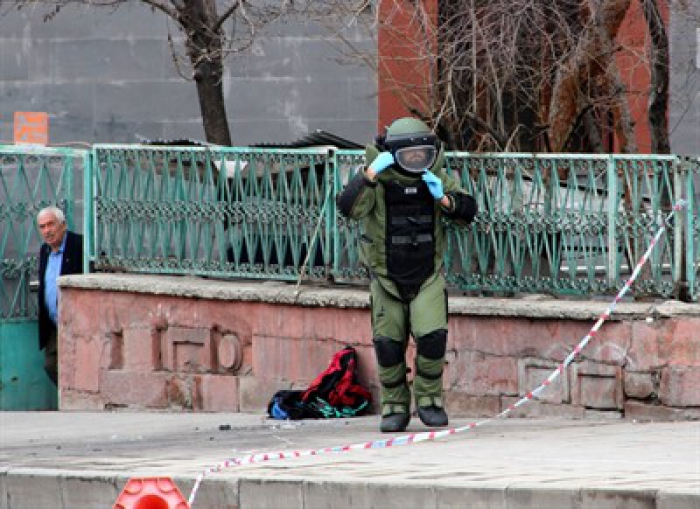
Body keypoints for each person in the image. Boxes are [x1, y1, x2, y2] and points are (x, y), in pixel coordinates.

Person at [336, 117, 477, 432]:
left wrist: (443, 198)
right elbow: (348, 208)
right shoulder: (377, 180)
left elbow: (468, 211)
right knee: (388, 343)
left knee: (432, 338)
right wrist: (370, 175)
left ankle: (429, 401)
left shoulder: (436, 177)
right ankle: (395, 404)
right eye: (408, 156)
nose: (416, 161)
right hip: (387, 277)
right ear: (391, 153)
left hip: (426, 274)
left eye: (421, 155)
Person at [37, 206, 83, 385]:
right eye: (42, 227)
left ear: (63, 225)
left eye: (51, 225)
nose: (47, 231)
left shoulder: (79, 246)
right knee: (51, 365)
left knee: (72, 364)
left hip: (76, 321)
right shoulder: (45, 251)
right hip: (54, 324)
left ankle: (78, 400)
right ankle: (72, 398)